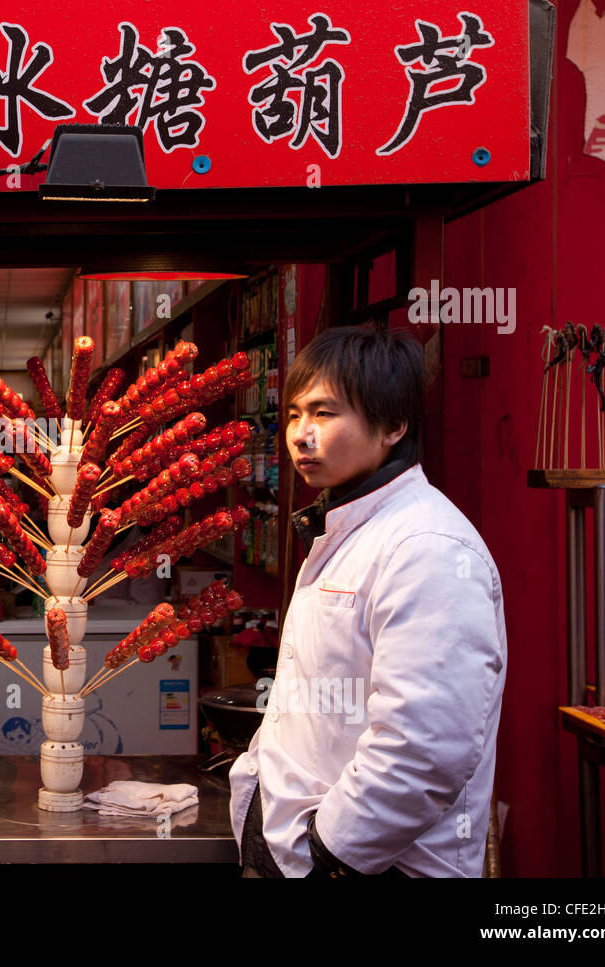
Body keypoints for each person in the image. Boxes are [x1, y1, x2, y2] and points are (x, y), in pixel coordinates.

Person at [230, 326, 506, 878]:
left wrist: (327, 853)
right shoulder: (345, 526)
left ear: (394, 426)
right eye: (293, 415)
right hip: (290, 846)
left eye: (325, 414)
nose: (301, 435)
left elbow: (423, 749)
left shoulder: (426, 547)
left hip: (360, 867)